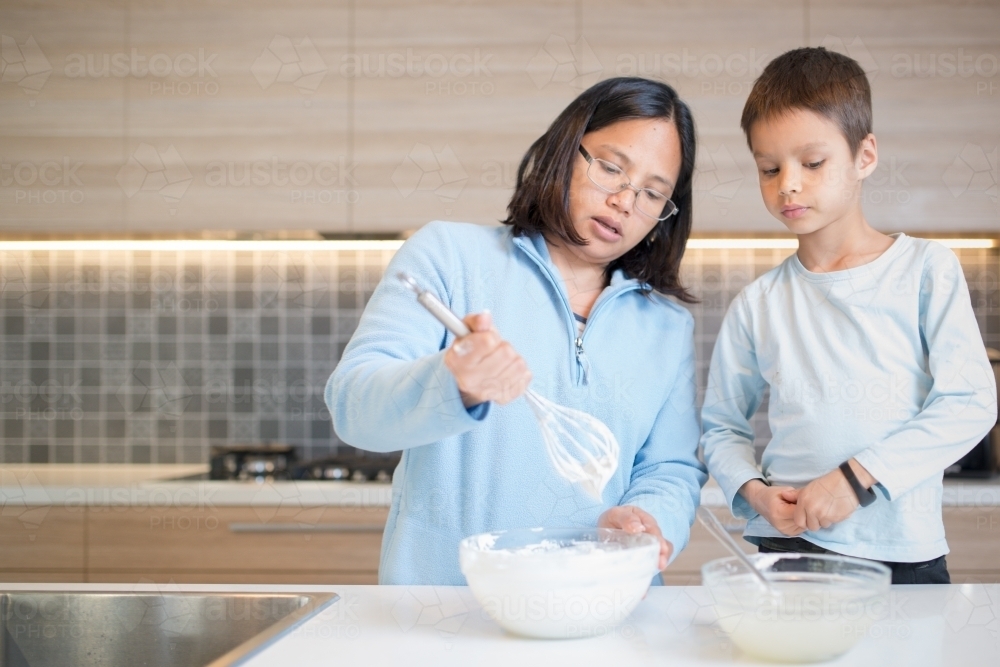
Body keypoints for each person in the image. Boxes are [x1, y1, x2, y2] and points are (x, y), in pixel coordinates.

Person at [326, 77, 708, 585]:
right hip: (450, 615)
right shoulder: (450, 258)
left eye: (652, 194)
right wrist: (452, 382)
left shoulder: (666, 327)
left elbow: (670, 469)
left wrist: (648, 519)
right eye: (611, 168)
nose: (624, 201)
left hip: (601, 609)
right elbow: (354, 408)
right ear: (563, 151)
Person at [701, 47, 997, 584]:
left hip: (903, 554)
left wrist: (855, 480)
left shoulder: (927, 269)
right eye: (769, 168)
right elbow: (721, 428)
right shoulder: (757, 304)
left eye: (812, 163)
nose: (787, 183)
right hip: (786, 547)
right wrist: (755, 493)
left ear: (865, 156)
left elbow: (970, 402)